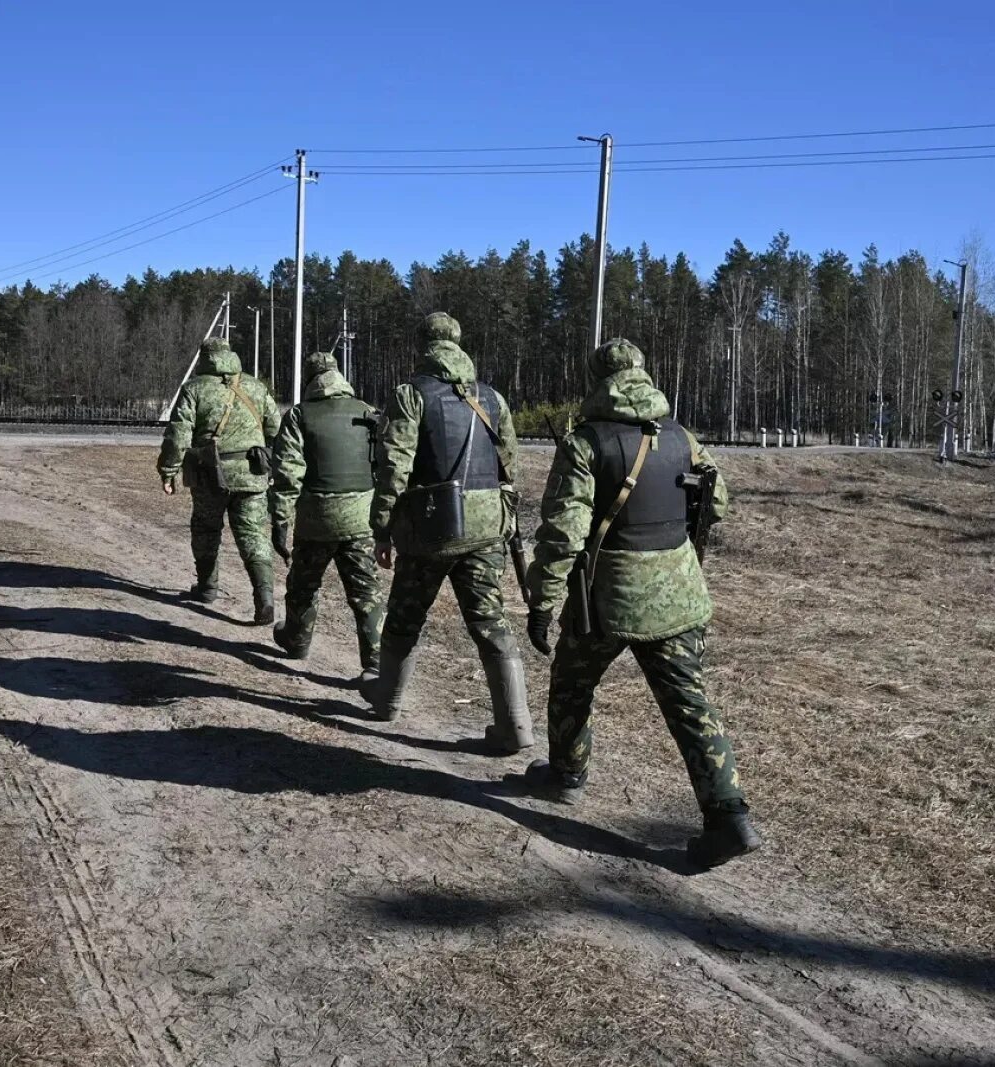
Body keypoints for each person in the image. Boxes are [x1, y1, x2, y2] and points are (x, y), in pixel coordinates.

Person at [523, 338, 761, 870]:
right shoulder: (680, 437)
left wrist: (543, 600)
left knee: (572, 683)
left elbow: (564, 532)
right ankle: (729, 817)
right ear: (643, 373)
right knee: (690, 704)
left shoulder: (586, 443)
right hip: (679, 595)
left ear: (597, 380)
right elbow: (716, 501)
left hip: (608, 599)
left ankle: (565, 775)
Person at [368, 312, 533, 754]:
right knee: (490, 623)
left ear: (421, 345)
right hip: (486, 527)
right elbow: (509, 465)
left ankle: (387, 701)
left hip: (430, 526)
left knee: (405, 615)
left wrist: (382, 527)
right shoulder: (493, 398)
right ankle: (515, 726)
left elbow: (394, 467)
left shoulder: (410, 394)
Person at [268, 350, 384, 682]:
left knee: (304, 584)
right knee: (366, 592)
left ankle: (297, 640)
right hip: (361, 519)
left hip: (315, 520)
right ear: (338, 375)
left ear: (309, 379)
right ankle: (376, 663)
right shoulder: (367, 412)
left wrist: (280, 520)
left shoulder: (299, 415)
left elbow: (288, 473)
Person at [157, 338, 281, 624]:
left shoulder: (194, 389)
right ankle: (265, 599)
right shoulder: (255, 387)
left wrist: (169, 470)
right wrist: (270, 463)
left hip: (209, 473)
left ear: (205, 359)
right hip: (252, 474)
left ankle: (207, 588)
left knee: (205, 529)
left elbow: (178, 435)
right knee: (253, 536)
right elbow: (276, 428)